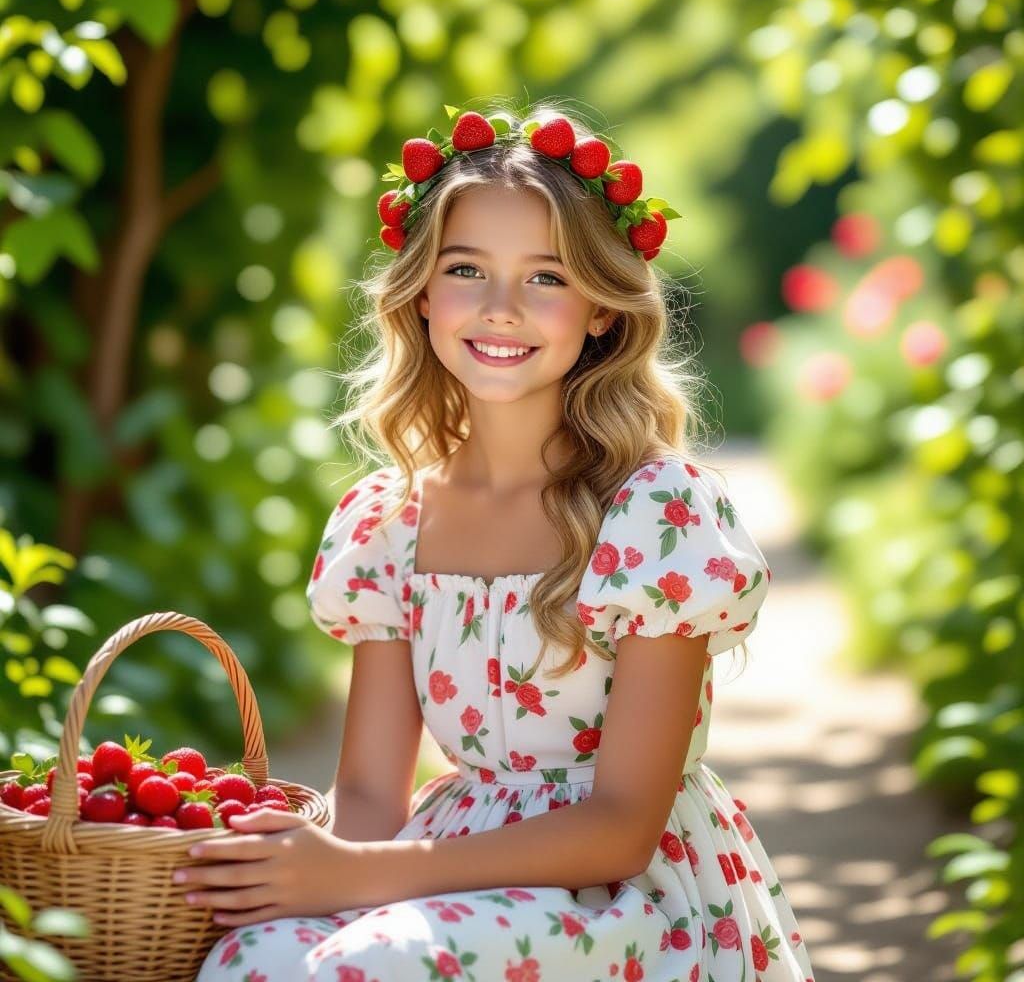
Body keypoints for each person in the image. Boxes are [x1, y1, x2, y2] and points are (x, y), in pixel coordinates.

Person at [189, 100, 816, 981]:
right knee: (249, 955)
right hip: (436, 864)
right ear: (421, 293)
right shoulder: (391, 522)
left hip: (615, 896)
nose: (500, 308)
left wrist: (367, 876)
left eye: (547, 278)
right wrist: (303, 866)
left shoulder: (653, 514)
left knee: (367, 965)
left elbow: (623, 826)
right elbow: (370, 794)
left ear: (603, 308)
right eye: (467, 269)